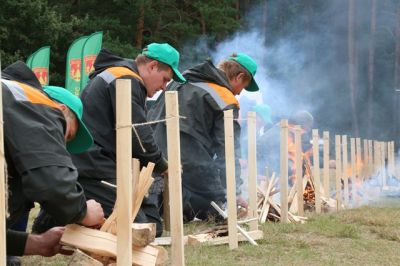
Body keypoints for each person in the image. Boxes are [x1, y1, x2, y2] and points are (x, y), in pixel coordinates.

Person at [71, 43, 185, 236]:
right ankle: (62, 214)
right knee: (140, 229)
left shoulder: (121, 76)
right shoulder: (126, 79)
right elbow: (138, 136)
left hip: (103, 164)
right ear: (152, 66)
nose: (164, 87)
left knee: (151, 223)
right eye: (165, 79)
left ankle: (70, 207)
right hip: (93, 167)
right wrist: (163, 165)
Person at [1, 61, 104, 257]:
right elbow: (52, 185)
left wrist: (37, 244)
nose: (60, 146)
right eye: (68, 135)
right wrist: (82, 211)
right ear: (61, 110)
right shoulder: (38, 104)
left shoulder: (11, 100)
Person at [148, 53, 260, 222]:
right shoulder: (225, 98)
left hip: (154, 154)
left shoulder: (181, 79)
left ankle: (165, 203)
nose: (239, 94)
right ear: (239, 76)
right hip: (189, 160)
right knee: (217, 207)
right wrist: (233, 192)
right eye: (242, 87)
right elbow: (228, 150)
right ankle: (178, 204)